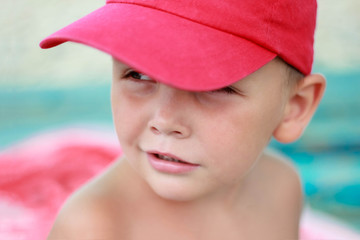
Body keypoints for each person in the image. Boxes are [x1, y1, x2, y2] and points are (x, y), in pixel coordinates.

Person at [40, 0, 326, 239]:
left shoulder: (281, 189)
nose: (164, 120)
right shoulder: (93, 227)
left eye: (214, 86)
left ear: (293, 108)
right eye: (137, 75)